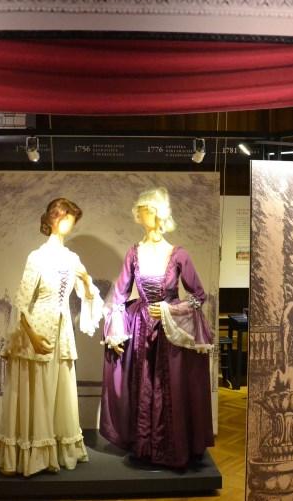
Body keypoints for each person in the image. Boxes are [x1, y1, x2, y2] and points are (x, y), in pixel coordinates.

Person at [0, 198, 103, 477]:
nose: (69, 222)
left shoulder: (72, 259)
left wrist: (86, 281)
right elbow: (21, 302)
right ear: (53, 218)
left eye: (72, 217)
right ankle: (30, 456)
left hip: (62, 333)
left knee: (58, 392)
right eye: (66, 216)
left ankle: (56, 451)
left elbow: (88, 296)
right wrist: (33, 338)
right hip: (36, 332)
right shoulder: (37, 257)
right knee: (36, 391)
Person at [100, 187, 214, 469]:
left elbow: (198, 296)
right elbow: (119, 295)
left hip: (170, 331)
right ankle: (145, 447)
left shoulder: (178, 254)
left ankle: (171, 448)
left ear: (156, 213)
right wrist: (115, 331)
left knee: (169, 386)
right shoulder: (134, 253)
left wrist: (170, 309)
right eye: (139, 211)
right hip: (141, 328)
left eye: (144, 210)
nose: (139, 215)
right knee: (145, 385)